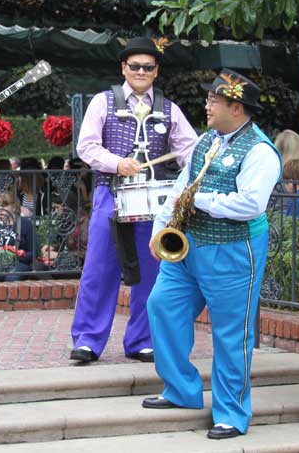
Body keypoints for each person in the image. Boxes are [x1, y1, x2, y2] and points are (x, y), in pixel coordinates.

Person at [142, 69, 280, 440]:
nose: (206, 105)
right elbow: (179, 187)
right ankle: (181, 390)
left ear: (236, 107)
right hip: (189, 247)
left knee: (232, 333)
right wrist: (161, 226)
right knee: (161, 306)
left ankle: (232, 414)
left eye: (213, 100)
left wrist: (199, 200)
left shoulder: (261, 151)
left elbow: (250, 204)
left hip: (233, 251)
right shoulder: (207, 141)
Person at [70, 37, 198, 364]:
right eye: (135, 66)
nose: (141, 71)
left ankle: (142, 339)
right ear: (123, 68)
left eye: (148, 67)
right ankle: (87, 340)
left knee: (151, 267)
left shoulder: (170, 109)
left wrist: (192, 179)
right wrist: (116, 163)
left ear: (156, 72)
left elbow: (190, 151)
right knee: (100, 266)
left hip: (153, 200)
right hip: (110, 192)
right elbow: (86, 147)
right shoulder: (103, 102)